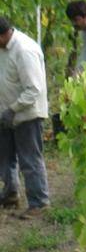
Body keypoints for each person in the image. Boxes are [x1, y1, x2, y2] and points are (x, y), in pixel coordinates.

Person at [0, 16, 50, 211]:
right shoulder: (4, 48)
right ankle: (11, 193)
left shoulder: (24, 50)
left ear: (4, 34)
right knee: (6, 157)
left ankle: (39, 203)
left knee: (29, 160)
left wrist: (13, 109)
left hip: (27, 114)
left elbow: (33, 89)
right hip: (7, 113)